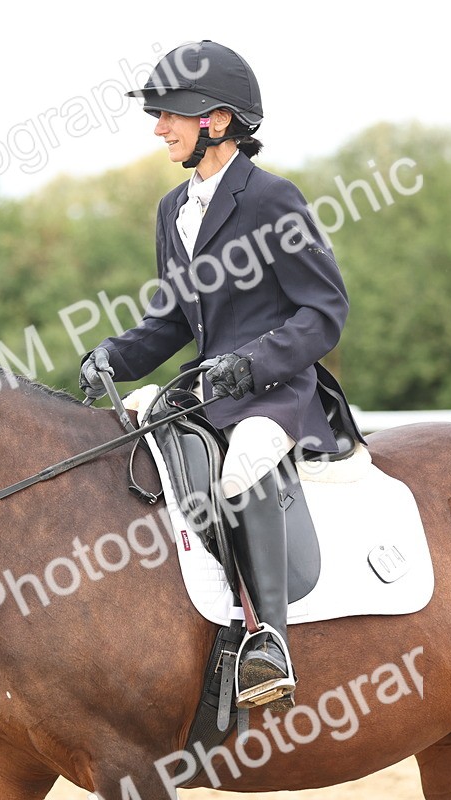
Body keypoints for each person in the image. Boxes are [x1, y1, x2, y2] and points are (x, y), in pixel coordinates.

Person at [79, 40, 362, 713]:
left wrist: (254, 362)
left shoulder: (272, 200)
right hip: (205, 393)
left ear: (218, 119)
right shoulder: (172, 211)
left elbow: (325, 312)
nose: (158, 128)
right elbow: (173, 320)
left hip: (277, 392)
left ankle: (270, 643)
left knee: (237, 473)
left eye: (170, 115)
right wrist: (113, 356)